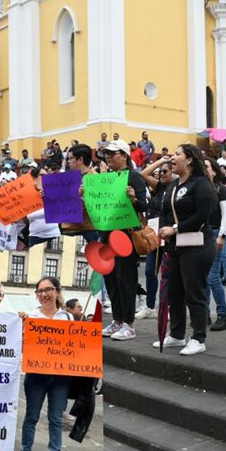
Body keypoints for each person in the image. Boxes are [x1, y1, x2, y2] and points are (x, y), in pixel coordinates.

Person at [157, 144, 217, 356]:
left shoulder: (201, 184)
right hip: (174, 247)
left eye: (177, 154)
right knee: (174, 292)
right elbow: (163, 210)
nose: (172, 158)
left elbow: (202, 216)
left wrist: (174, 229)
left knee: (194, 291)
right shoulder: (172, 185)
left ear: (190, 160)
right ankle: (176, 334)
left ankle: (198, 338)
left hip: (197, 246)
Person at [18, 277, 72, 451]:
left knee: (56, 419)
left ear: (57, 291)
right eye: (39, 291)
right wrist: (22, 337)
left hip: (60, 377)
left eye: (48, 289)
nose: (44, 294)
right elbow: (22, 346)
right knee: (31, 417)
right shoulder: (29, 317)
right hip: (36, 376)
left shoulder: (67, 318)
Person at [100, 140, 149, 341]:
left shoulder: (134, 177)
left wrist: (134, 199)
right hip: (106, 236)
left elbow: (145, 206)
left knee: (126, 280)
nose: (108, 157)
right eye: (106, 154)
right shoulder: (105, 179)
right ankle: (118, 320)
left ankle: (129, 324)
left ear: (124, 155)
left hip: (126, 237)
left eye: (113, 153)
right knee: (111, 280)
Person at [137, 156, 174, 320]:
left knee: (168, 274)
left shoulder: (176, 188)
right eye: (159, 172)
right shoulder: (159, 188)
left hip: (168, 236)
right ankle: (150, 306)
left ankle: (171, 306)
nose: (160, 174)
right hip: (153, 236)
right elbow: (144, 174)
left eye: (165, 171)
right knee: (150, 271)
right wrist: (161, 161)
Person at [204, 158, 226, 331]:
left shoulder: (222, 190)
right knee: (203, 277)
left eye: (207, 166)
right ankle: (204, 313)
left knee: (213, 277)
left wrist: (222, 235)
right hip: (202, 235)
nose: (204, 169)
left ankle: (222, 315)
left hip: (215, 234)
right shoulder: (201, 189)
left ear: (214, 171)